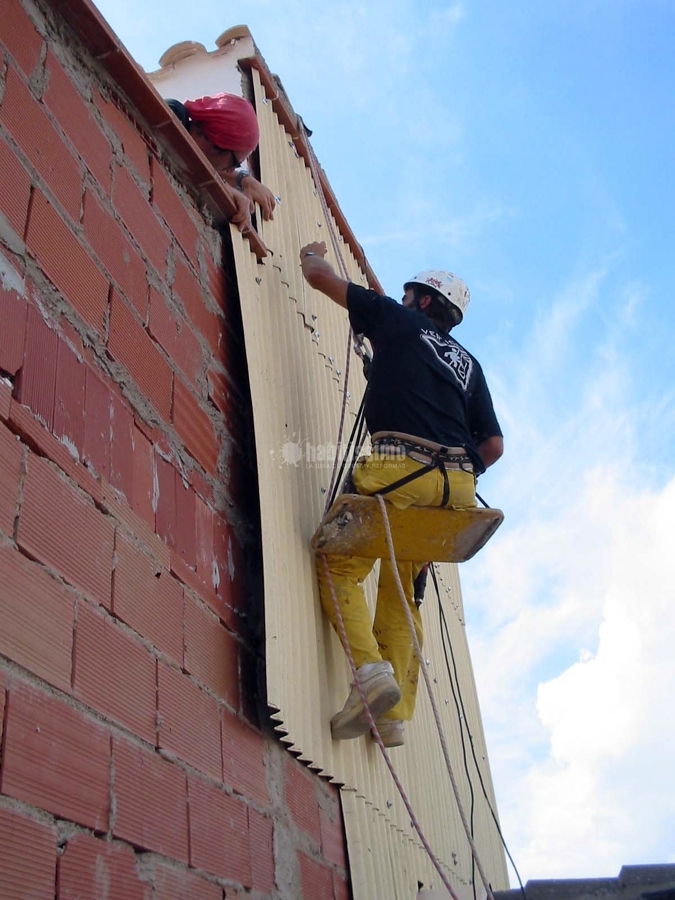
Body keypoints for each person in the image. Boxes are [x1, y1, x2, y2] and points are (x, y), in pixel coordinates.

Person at [300, 241, 503, 748]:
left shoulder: (397, 320)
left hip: (401, 464)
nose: (403, 299)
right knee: (404, 580)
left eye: (411, 294)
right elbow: (494, 446)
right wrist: (459, 466)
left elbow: (319, 277)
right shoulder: (470, 366)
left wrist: (312, 252)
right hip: (456, 484)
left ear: (426, 302)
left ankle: (370, 673)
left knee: (339, 562)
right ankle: (394, 719)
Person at [167, 94, 276, 232]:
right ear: (217, 144)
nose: (230, 171)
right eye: (235, 163)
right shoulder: (172, 113)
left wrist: (244, 180)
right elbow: (181, 156)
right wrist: (223, 188)